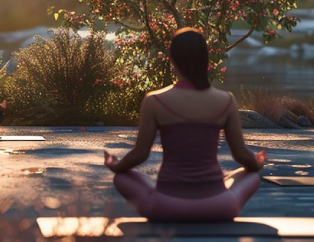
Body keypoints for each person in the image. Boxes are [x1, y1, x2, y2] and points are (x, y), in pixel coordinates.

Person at [104, 28, 265, 222]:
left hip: (165, 207)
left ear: (172, 60)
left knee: (121, 178)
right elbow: (241, 155)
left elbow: (140, 154)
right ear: (206, 59)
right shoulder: (226, 100)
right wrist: (256, 162)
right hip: (218, 207)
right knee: (251, 175)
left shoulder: (154, 101)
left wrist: (116, 165)